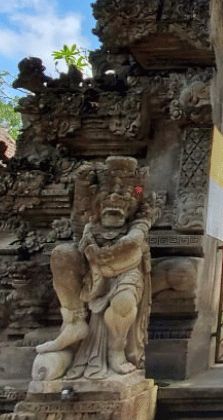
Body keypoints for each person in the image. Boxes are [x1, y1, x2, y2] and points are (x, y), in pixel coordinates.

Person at [35, 157, 154, 380]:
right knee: (62, 254)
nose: (116, 192)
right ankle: (74, 321)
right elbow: (82, 216)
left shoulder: (136, 194)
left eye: (124, 186)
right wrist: (82, 184)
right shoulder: (95, 199)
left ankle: (116, 351)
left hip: (126, 269)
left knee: (123, 303)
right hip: (93, 267)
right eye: (110, 186)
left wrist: (137, 186)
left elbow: (140, 199)